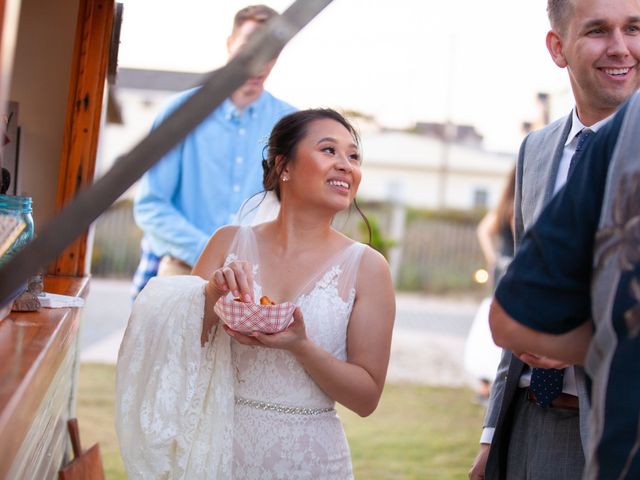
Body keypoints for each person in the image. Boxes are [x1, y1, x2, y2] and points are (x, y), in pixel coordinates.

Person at [115, 109, 396, 478]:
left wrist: (300, 345)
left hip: (311, 460)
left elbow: (366, 398)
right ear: (284, 165)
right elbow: (180, 353)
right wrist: (212, 296)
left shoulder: (368, 267)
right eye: (329, 150)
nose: (346, 165)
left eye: (353, 156)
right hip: (219, 451)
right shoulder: (227, 243)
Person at [469, 0, 640, 478]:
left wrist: (574, 342)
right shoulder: (535, 150)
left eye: (634, 28)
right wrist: (490, 438)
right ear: (557, 47)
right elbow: (524, 286)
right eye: (599, 31)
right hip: (525, 421)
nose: (621, 48)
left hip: (618, 428)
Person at [131, 4, 295, 297]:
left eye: (271, 49)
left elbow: (296, 208)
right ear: (230, 44)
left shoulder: (292, 126)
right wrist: (214, 255)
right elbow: (151, 206)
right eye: (250, 47)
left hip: (260, 280)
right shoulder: (181, 112)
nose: (260, 62)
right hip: (184, 270)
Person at [464, 167, 515, 405]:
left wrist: (494, 259)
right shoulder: (517, 204)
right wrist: (492, 258)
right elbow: (485, 230)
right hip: (513, 268)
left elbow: (484, 230)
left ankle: (487, 383)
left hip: (503, 267)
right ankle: (492, 381)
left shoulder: (505, 204)